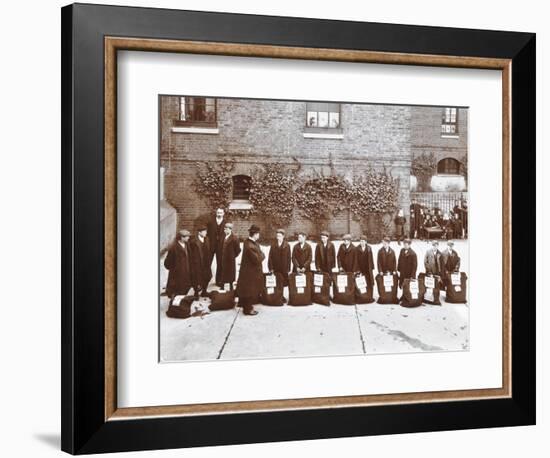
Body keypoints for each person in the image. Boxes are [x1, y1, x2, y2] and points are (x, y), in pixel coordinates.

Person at [236, 225, 265, 316]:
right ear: (255, 234)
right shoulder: (250, 245)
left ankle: (245, 306)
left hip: (248, 271)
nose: (259, 235)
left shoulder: (248, 242)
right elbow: (257, 259)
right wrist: (262, 255)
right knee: (249, 290)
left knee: (247, 290)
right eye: (258, 234)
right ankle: (248, 309)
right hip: (250, 272)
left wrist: (260, 254)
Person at [164, 229, 192, 297]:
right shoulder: (173, 248)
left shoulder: (187, 245)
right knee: (177, 292)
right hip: (177, 274)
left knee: (184, 289)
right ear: (182, 237)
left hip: (186, 272)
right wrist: (174, 269)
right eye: (187, 236)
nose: (189, 238)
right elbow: (167, 263)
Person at [207, 208, 229, 286]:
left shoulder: (226, 223)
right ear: (216, 213)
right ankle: (205, 279)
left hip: (221, 246)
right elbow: (208, 234)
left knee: (220, 263)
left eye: (221, 213)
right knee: (207, 262)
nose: (219, 214)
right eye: (218, 212)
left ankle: (219, 281)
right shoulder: (210, 222)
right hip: (211, 246)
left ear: (223, 214)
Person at [189, 225, 212, 298]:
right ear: (199, 233)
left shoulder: (207, 239)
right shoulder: (193, 241)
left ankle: (204, 291)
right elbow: (190, 252)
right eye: (204, 232)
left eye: (206, 231)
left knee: (208, 276)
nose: (206, 233)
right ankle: (196, 293)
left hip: (206, 262)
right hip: (197, 262)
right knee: (196, 278)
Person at [217, 222, 241, 289]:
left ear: (230, 229)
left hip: (230, 259)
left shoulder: (234, 238)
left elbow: (238, 250)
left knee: (230, 273)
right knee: (222, 272)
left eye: (227, 229)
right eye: (224, 229)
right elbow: (219, 247)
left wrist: (232, 256)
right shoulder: (222, 237)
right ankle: (222, 286)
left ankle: (231, 286)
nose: (225, 230)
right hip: (222, 258)